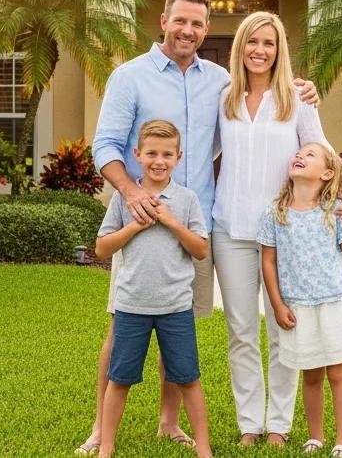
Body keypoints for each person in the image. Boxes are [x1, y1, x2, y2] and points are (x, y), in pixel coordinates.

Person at [78, 0, 321, 455]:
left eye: (196, 23)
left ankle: (169, 422)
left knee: (180, 322)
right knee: (121, 324)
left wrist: (301, 87)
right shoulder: (130, 77)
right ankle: (99, 429)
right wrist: (131, 193)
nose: (187, 30)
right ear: (164, 22)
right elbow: (105, 146)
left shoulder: (220, 83)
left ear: (207, 30)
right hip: (142, 221)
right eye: (180, 21)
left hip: (197, 225)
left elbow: (266, 105)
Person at [212, 11, 338, 447]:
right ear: (240, 47)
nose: (260, 50)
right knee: (241, 331)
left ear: (279, 49)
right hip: (229, 229)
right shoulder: (224, 98)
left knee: (284, 328)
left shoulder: (297, 98)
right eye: (252, 41)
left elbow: (321, 151)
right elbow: (201, 150)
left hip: (284, 234)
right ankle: (250, 423)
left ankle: (279, 425)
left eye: (269, 43)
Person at [94, 120, 213, 458]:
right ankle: (106, 446)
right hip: (131, 305)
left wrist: (172, 222)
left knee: (187, 377)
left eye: (167, 155)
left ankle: (204, 448)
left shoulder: (187, 200)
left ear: (178, 157)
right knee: (120, 378)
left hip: (176, 307)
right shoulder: (124, 199)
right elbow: (101, 248)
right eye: (151, 154)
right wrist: (135, 226)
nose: (159, 161)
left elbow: (200, 249)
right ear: (137, 154)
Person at [258, 143, 342, 458]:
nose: (299, 156)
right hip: (298, 306)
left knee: (337, 373)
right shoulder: (274, 212)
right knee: (310, 374)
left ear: (327, 173)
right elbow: (268, 262)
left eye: (310, 155)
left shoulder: (335, 209)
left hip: (336, 302)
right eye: (299, 154)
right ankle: (315, 437)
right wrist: (278, 304)